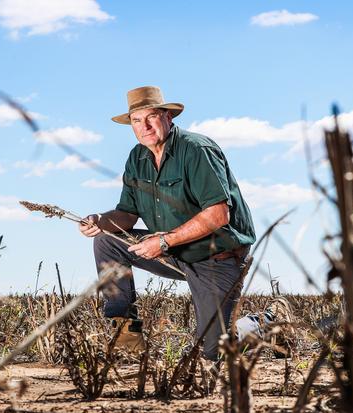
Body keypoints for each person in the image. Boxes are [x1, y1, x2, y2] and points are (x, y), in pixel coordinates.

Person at [79, 86, 256, 360]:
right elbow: (127, 214)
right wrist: (100, 221)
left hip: (216, 258)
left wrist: (163, 241)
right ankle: (125, 336)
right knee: (107, 241)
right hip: (172, 253)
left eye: (151, 117)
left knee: (210, 354)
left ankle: (261, 325)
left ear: (168, 117)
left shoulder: (197, 150)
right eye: (136, 121)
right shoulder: (137, 158)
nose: (144, 126)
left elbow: (218, 214)